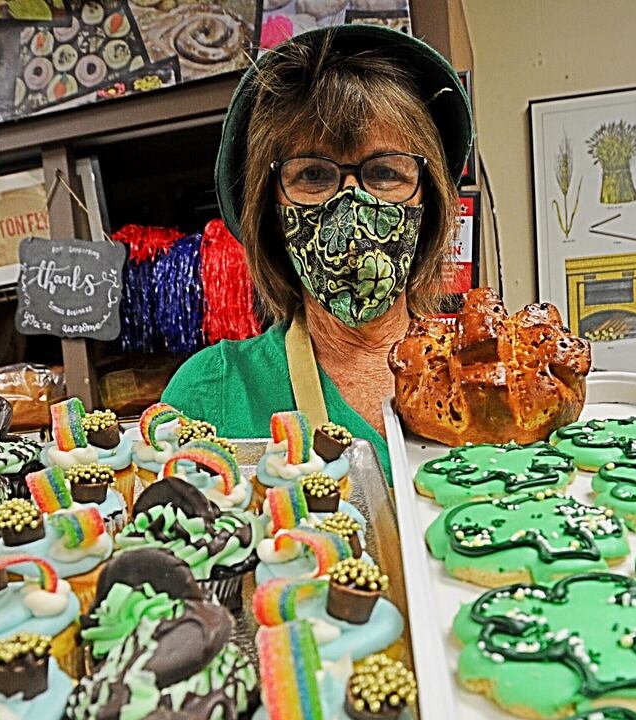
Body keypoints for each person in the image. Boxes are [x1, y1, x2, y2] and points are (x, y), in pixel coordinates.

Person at [160, 26, 473, 473]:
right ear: (270, 208)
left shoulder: (485, 372)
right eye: (311, 175)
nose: (350, 206)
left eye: (385, 172)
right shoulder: (212, 393)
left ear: (430, 201)